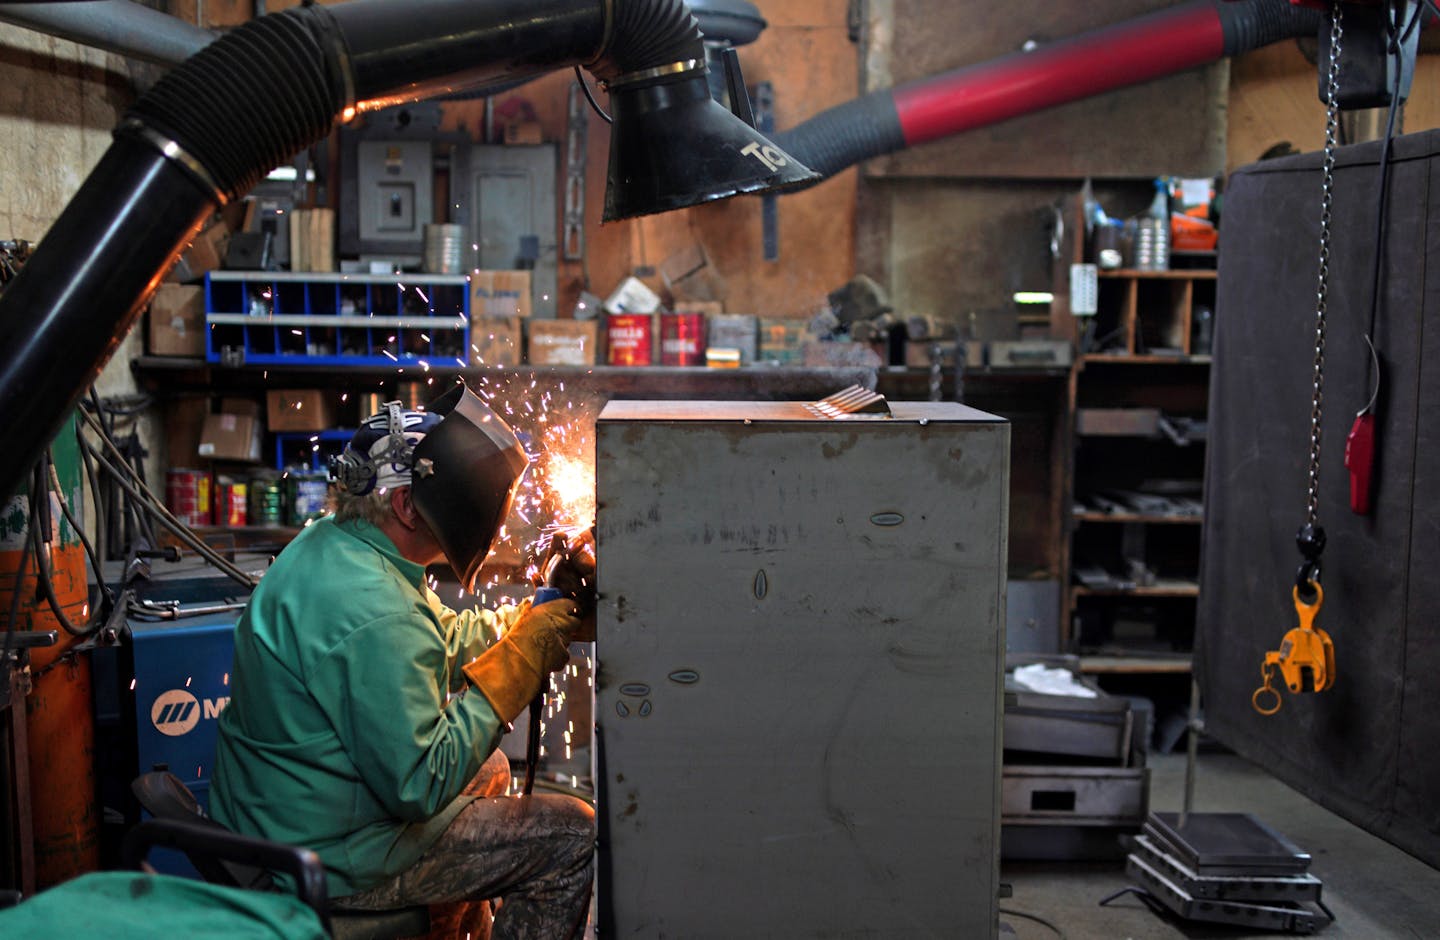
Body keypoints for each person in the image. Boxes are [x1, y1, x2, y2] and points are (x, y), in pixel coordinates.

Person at [211, 384, 595, 939]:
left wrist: (526, 620)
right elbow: (422, 783)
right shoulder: (376, 609)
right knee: (570, 838)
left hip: (279, 813)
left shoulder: (341, 546)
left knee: (491, 770)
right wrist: (520, 661)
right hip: (326, 859)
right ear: (407, 505)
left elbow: (438, 636)